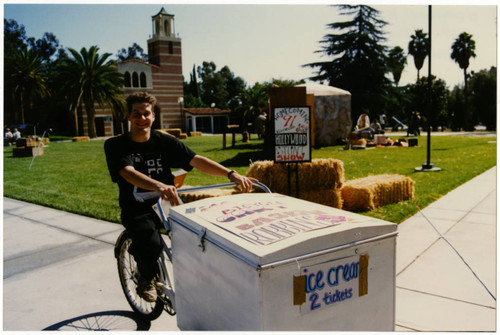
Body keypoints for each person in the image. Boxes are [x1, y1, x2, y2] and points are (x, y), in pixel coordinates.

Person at [104, 92, 257, 302]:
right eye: (136, 114)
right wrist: (159, 185)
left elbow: (196, 160)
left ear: (153, 116)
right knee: (151, 241)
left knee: (199, 237)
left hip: (167, 203)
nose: (142, 119)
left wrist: (231, 174)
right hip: (136, 207)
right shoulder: (115, 145)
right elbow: (127, 172)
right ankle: (145, 278)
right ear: (128, 117)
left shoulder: (164, 141)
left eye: (146, 114)